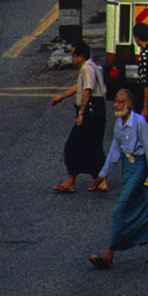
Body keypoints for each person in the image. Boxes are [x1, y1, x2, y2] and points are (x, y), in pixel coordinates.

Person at [87, 87, 148, 269]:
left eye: (120, 101)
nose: (116, 105)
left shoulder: (140, 122)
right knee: (142, 207)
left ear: (129, 103)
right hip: (127, 167)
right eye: (116, 101)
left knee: (120, 209)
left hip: (139, 167)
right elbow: (115, 151)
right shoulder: (118, 124)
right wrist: (102, 174)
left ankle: (109, 253)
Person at [49, 39, 106, 193]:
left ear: (81, 56)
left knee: (73, 145)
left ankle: (72, 181)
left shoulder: (87, 68)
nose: (72, 58)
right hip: (96, 111)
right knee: (92, 145)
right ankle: (99, 180)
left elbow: (87, 90)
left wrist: (81, 113)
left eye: (74, 55)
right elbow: (78, 87)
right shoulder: (91, 67)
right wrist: (61, 97)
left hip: (90, 112)